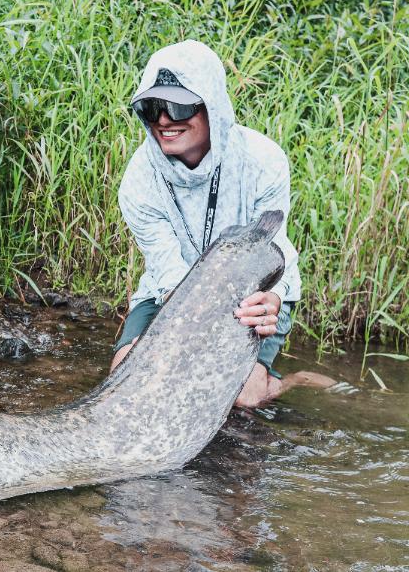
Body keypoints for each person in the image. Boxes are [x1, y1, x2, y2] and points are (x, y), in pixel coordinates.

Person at [110, 40, 327, 408]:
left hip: (252, 293)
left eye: (178, 107)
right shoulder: (138, 180)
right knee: (127, 385)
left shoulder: (264, 160)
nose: (163, 120)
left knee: (243, 398)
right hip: (174, 295)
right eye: (152, 107)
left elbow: (272, 254)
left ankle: (288, 380)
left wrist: (273, 300)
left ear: (212, 106)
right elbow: (170, 278)